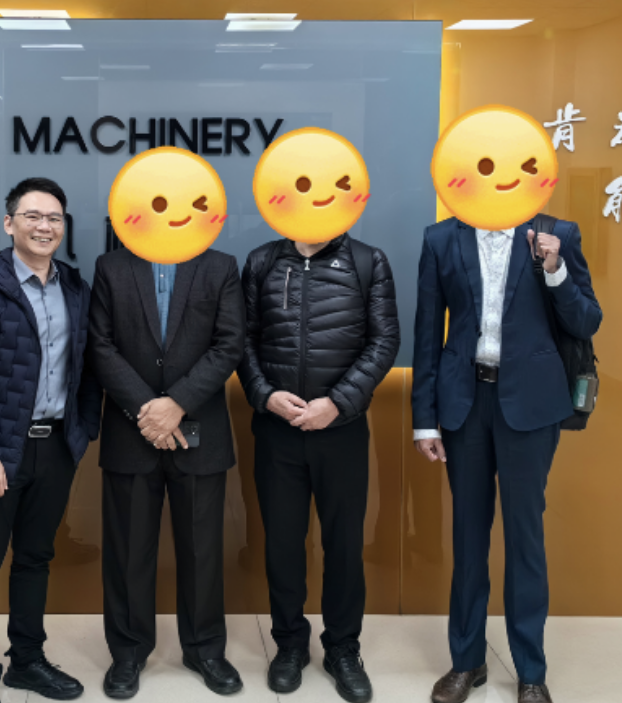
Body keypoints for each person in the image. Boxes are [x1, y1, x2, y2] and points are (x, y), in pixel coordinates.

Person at [412, 218, 601, 703]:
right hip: (465, 401)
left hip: (530, 405)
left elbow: (586, 321)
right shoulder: (441, 238)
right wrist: (425, 420)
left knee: (524, 537)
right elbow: (427, 330)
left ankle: (531, 671)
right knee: (468, 535)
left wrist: (555, 269)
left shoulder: (556, 234)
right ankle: (466, 662)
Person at [0, 178, 102, 703]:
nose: (44, 226)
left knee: (36, 558)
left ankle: (27, 662)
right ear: (9, 223)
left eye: (54, 218)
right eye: (33, 216)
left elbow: (87, 366)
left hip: (56, 446)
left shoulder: (75, 287)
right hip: (0, 451)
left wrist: (82, 432)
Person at [238, 233, 400, 702]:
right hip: (278, 429)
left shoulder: (368, 260)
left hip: (341, 430)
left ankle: (343, 648)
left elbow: (384, 340)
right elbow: (242, 339)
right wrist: (265, 394)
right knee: (282, 543)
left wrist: (339, 402)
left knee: (344, 545)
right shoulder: (262, 260)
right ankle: (289, 644)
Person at [88, 243, 247, 698]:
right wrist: (149, 410)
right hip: (131, 429)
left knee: (202, 550)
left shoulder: (220, 265)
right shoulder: (111, 266)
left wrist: (177, 403)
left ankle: (204, 649)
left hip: (200, 431)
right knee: (128, 552)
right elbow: (100, 346)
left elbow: (229, 344)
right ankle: (128, 652)